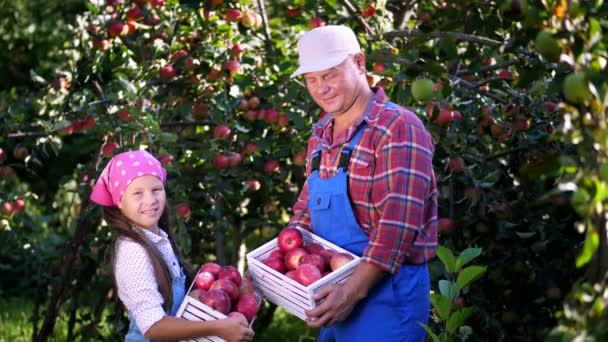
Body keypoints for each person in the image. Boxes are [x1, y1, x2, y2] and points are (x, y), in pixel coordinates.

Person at [286, 25, 438, 341]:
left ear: (359, 63)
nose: (320, 88)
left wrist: (351, 293)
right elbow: (306, 211)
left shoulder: (398, 127)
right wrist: (279, 267)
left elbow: (398, 226)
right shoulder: (321, 135)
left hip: (384, 299)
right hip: (333, 292)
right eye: (311, 80)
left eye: (329, 75)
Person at [90, 150, 254, 342]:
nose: (150, 200)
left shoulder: (156, 238)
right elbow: (153, 327)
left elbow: (168, 304)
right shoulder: (133, 251)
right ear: (119, 202)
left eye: (156, 190)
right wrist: (217, 327)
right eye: (137, 193)